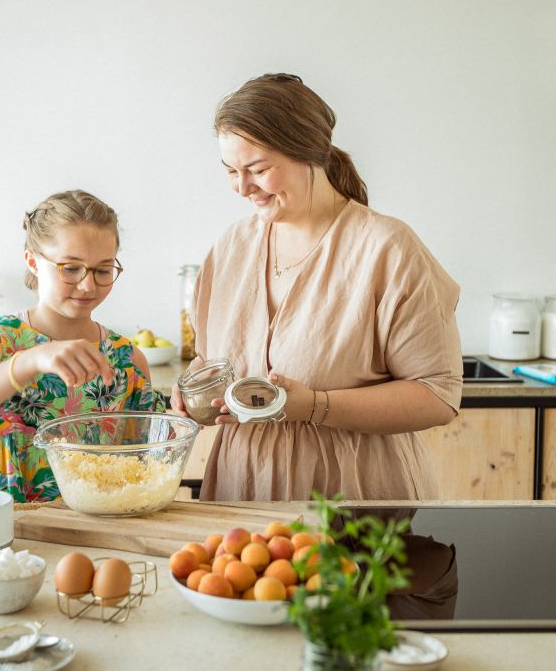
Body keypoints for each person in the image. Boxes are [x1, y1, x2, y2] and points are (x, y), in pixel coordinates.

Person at [172, 73, 462, 501]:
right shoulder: (230, 248)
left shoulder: (386, 248)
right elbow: (208, 358)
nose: (241, 187)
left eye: (258, 169)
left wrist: (312, 406)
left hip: (356, 494)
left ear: (309, 152)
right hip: (242, 492)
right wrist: (191, 390)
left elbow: (437, 396)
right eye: (231, 171)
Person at [0, 189, 164, 503]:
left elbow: (148, 462)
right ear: (32, 261)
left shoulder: (128, 361)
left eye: (103, 270)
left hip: (98, 533)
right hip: (2, 532)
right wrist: (29, 361)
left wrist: (191, 411)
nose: (87, 285)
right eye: (70, 268)